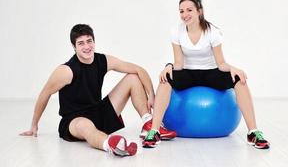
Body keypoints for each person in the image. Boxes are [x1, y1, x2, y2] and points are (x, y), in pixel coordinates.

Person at [19, 24, 173, 157]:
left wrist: (151, 95)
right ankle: (111, 145)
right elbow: (45, 93)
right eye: (81, 43)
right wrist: (34, 125)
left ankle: (148, 122)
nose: (87, 47)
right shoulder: (66, 71)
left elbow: (139, 70)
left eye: (89, 41)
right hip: (74, 120)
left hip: (99, 113)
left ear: (94, 41)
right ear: (74, 47)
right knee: (85, 126)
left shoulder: (102, 60)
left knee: (132, 77)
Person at [142, 0, 270, 149]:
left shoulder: (213, 32)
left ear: (199, 11)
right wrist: (169, 66)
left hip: (210, 72)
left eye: (189, 10)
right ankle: (154, 131)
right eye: (181, 11)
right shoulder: (176, 31)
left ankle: (253, 132)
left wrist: (233, 69)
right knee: (165, 79)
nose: (184, 14)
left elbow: (221, 63)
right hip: (188, 72)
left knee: (240, 80)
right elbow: (179, 63)